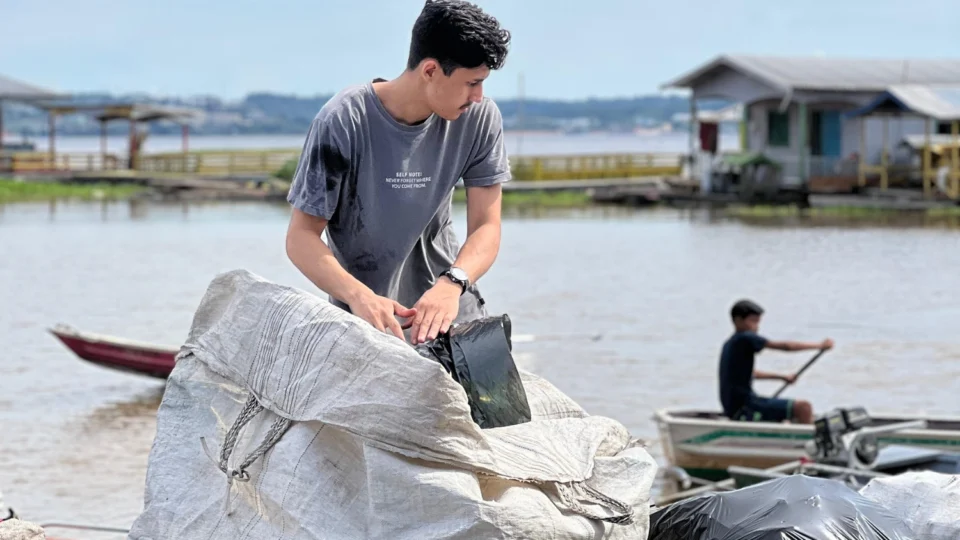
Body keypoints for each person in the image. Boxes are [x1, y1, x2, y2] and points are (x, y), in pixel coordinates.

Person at [284, 0, 511, 345]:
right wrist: (359, 297)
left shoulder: (480, 119)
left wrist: (452, 283)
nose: (478, 97)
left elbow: (486, 226)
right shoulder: (343, 121)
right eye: (471, 83)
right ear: (431, 70)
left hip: (452, 314)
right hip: (368, 325)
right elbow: (301, 238)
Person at [718, 299, 833, 424]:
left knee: (791, 412)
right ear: (738, 320)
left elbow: (751, 373)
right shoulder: (745, 337)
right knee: (803, 407)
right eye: (753, 321)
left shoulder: (730, 343)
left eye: (758, 322)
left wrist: (782, 377)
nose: (756, 327)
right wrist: (819, 346)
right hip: (746, 405)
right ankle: (805, 442)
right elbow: (785, 346)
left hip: (735, 406)